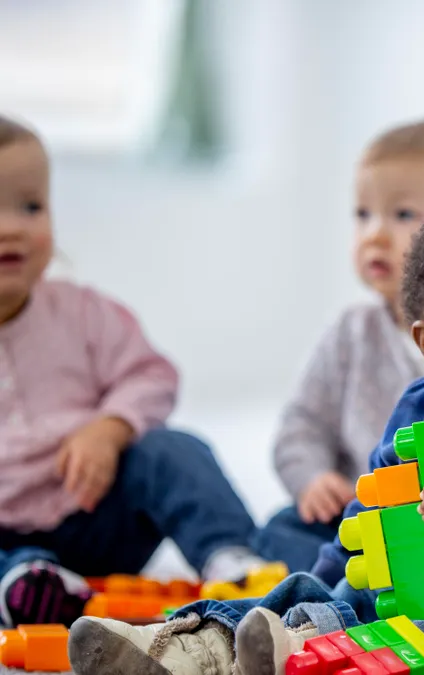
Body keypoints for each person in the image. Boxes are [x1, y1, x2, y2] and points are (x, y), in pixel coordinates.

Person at [68, 188, 424, 675]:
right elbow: (369, 520)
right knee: (307, 592)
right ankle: (192, 644)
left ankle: (306, 649)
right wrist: (327, 585)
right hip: (414, 599)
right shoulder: (419, 410)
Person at [0, 115, 268, 629]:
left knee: (172, 449)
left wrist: (110, 427)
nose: (15, 226)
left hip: (96, 515)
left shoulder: (82, 313)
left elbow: (151, 375)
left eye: (32, 206)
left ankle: (231, 557)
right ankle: (26, 585)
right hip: (8, 540)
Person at [254, 120, 424, 573]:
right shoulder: (351, 333)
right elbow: (302, 424)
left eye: (402, 215)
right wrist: (314, 478)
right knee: (280, 532)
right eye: (362, 215)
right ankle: (354, 582)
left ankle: (361, 587)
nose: (374, 234)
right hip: (361, 521)